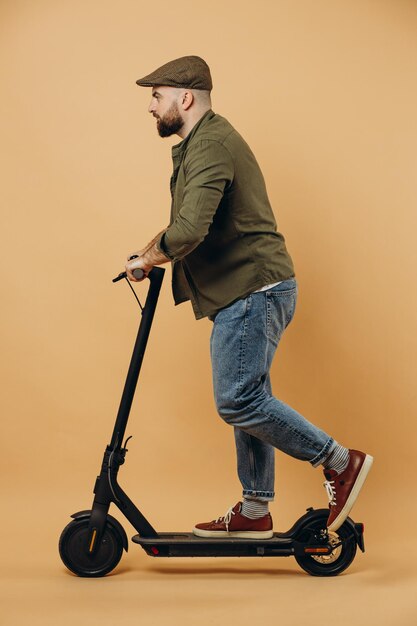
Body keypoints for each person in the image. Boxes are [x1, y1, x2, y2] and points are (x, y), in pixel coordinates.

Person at [125, 55, 373, 538]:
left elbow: (191, 227)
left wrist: (151, 256)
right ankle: (255, 510)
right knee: (252, 395)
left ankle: (342, 462)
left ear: (185, 97)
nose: (151, 107)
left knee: (238, 399)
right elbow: (192, 222)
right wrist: (149, 250)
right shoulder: (204, 143)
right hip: (249, 290)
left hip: (254, 289)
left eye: (157, 96)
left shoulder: (212, 145)